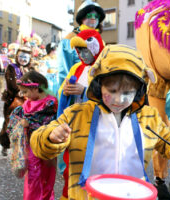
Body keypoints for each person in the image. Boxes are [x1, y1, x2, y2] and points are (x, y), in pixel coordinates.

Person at [30, 44, 170, 199]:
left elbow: (167, 138)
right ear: (97, 86)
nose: (119, 99)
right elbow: (38, 142)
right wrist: (51, 136)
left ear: (139, 92)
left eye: (128, 92)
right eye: (112, 90)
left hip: (132, 193)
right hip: (88, 195)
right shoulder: (78, 114)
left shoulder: (148, 116)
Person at [57, 29, 104, 200]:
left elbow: (109, 96)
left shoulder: (104, 68)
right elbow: (63, 92)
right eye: (79, 51)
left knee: (93, 167)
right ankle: (68, 195)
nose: (82, 54)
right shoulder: (76, 68)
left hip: (96, 126)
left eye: (85, 50)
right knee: (71, 164)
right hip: (74, 123)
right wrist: (66, 92)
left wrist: (85, 91)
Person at [7, 71, 57, 200]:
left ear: (35, 88)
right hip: (31, 147)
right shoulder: (27, 103)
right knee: (33, 176)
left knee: (47, 176)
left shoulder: (51, 104)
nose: (23, 95)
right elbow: (18, 118)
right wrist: (21, 124)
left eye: (25, 92)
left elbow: (50, 124)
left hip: (47, 148)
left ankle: (46, 197)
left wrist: (29, 123)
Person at [56, 0, 105, 86]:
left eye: (96, 16)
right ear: (82, 17)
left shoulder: (100, 40)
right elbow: (63, 72)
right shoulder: (70, 39)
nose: (93, 18)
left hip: (96, 88)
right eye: (89, 15)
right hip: (75, 87)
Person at [0, 45, 34, 156]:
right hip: (13, 100)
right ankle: (5, 145)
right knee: (9, 122)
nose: (23, 59)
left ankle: (21, 146)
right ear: (17, 56)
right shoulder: (12, 67)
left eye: (26, 57)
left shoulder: (31, 69)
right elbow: (12, 84)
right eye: (21, 56)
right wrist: (23, 90)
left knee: (25, 123)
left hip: (27, 100)